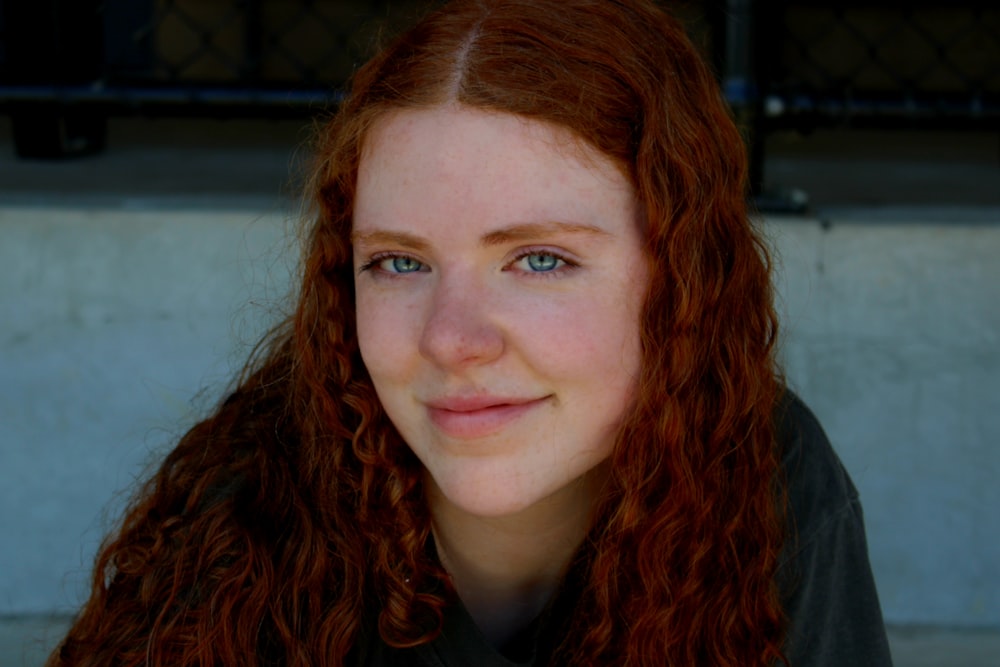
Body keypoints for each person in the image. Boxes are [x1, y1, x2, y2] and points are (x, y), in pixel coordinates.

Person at [47, 1, 893, 665]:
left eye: (539, 260)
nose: (452, 340)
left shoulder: (764, 480)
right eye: (399, 263)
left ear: (680, 280)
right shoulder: (244, 527)